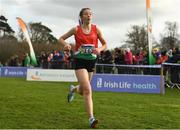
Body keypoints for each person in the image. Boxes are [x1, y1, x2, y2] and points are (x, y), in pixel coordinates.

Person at [59, 8, 107, 128]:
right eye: (86, 14)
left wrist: (99, 49)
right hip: (79, 61)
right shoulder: (76, 29)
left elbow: (105, 44)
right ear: (81, 17)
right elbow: (61, 38)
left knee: (82, 90)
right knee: (88, 90)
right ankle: (91, 118)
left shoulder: (96, 29)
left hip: (91, 62)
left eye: (90, 14)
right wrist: (66, 45)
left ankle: (73, 89)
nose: (88, 16)